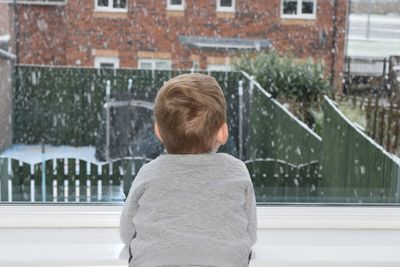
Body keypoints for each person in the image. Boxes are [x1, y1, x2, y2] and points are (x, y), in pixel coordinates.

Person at [120, 73, 257, 267]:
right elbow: (249, 235)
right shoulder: (237, 171)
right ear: (223, 132)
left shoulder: (148, 173)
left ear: (158, 131)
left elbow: (127, 232)